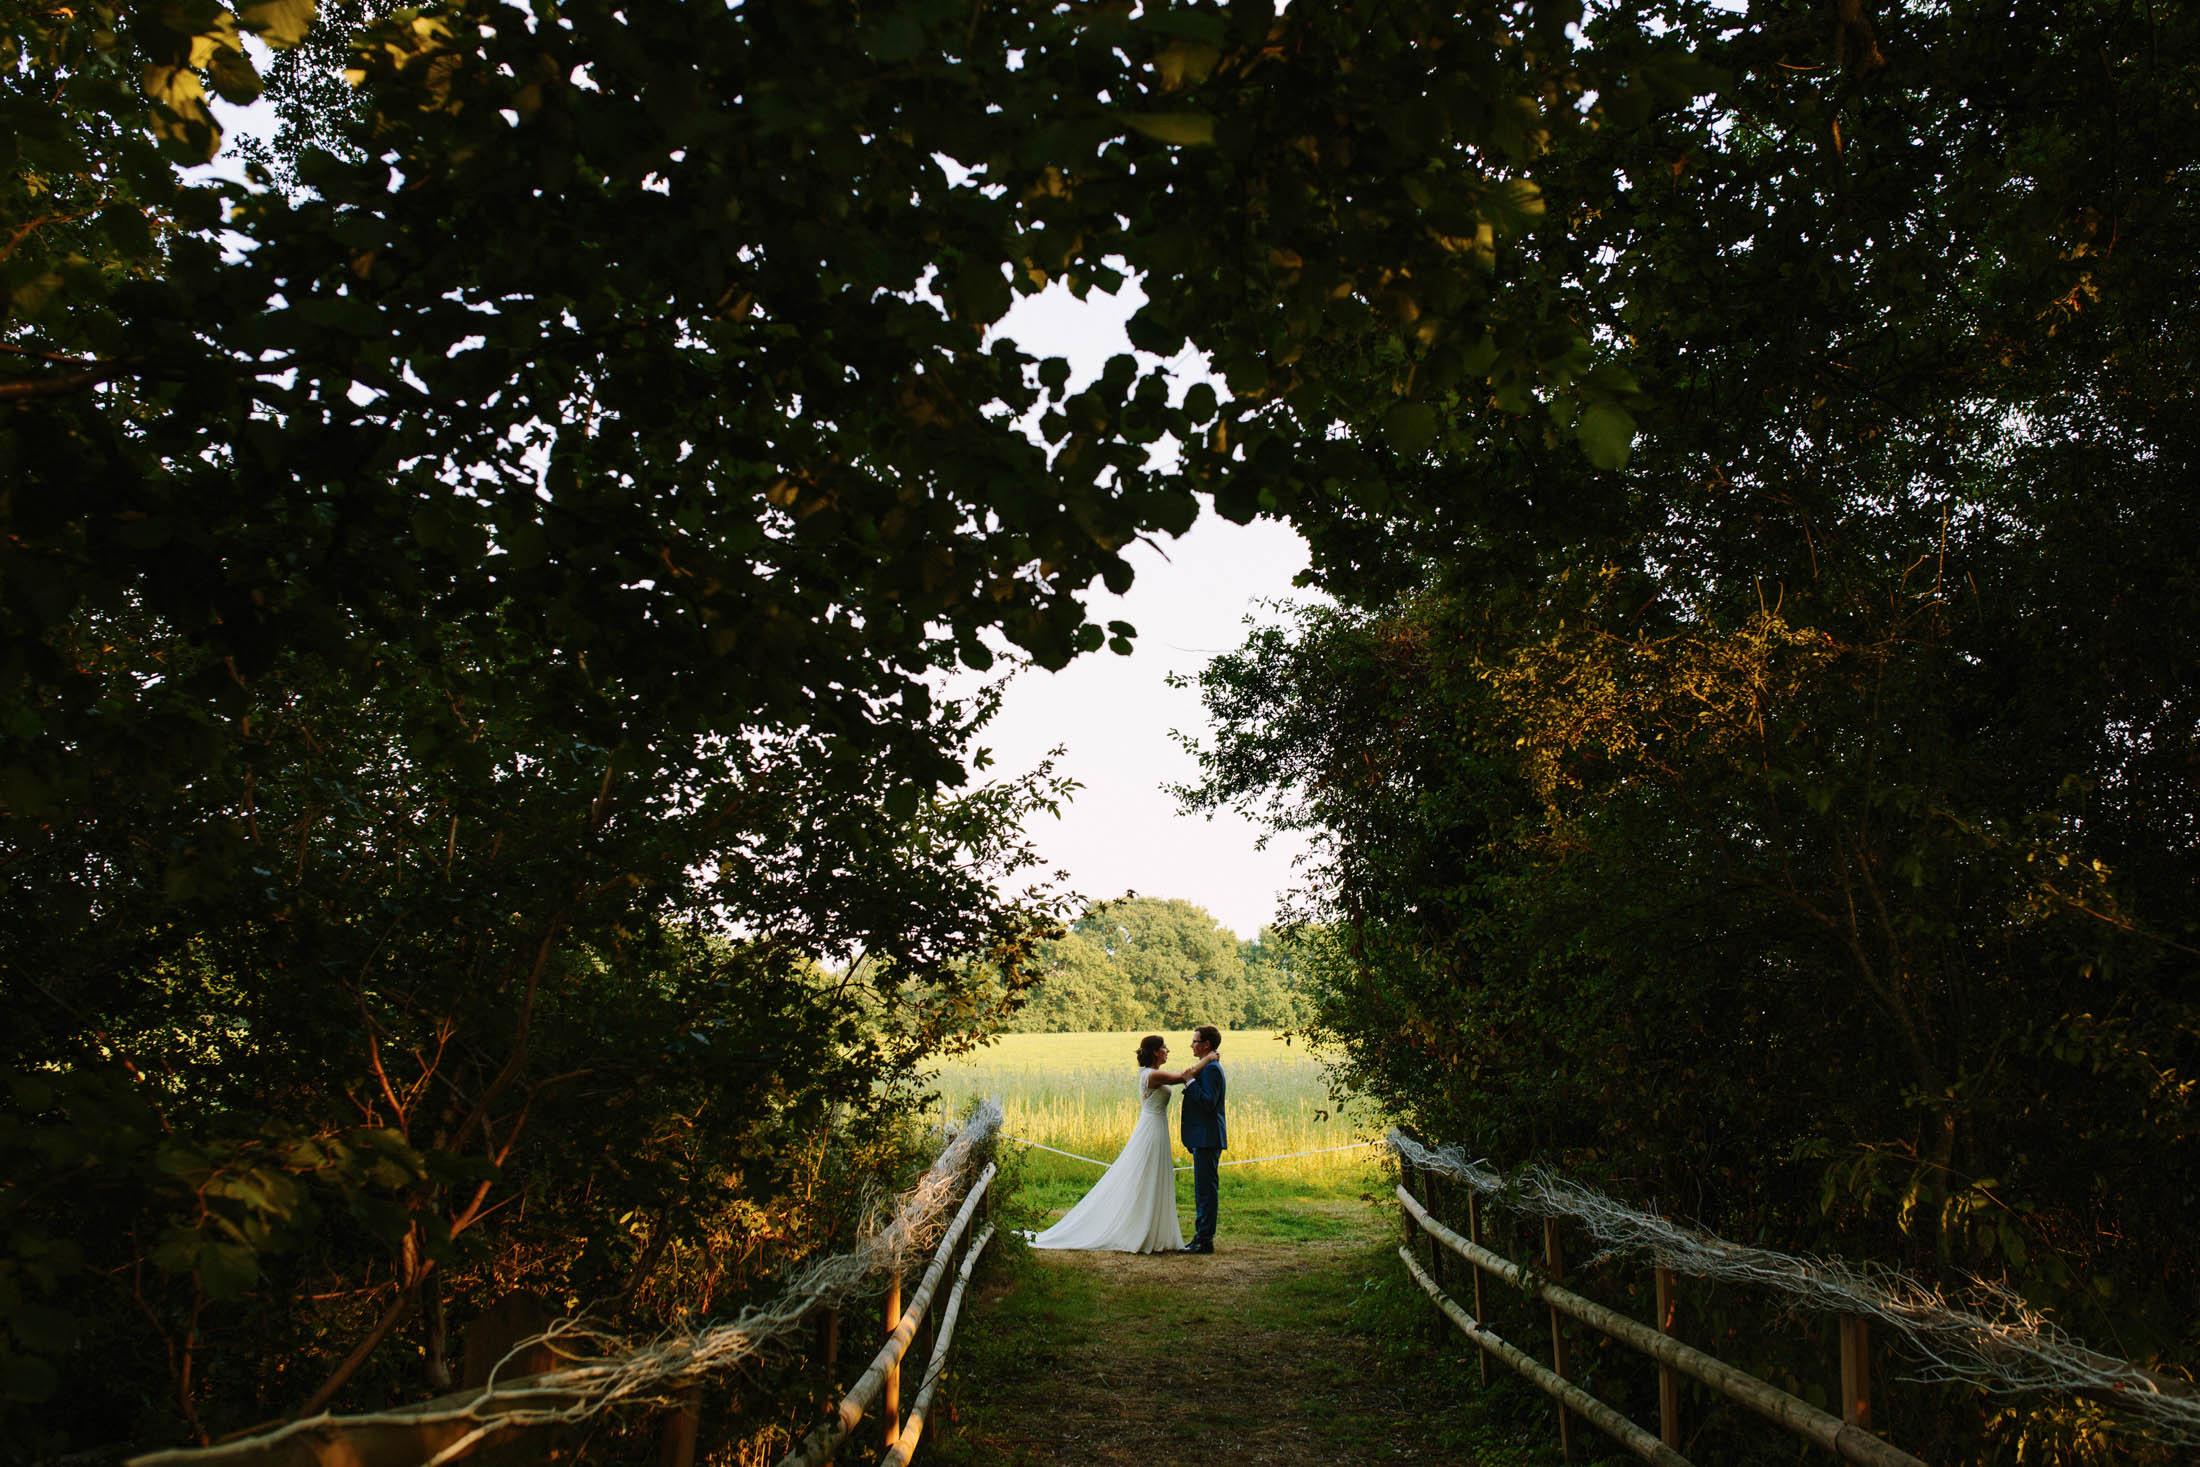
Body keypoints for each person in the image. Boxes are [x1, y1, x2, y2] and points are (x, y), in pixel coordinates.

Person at [1028, 1034, 1213, 1253]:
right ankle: (1140, 1229)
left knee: (1153, 1175)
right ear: (1155, 1052)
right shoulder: (1152, 1075)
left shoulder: (1152, 1074)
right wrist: (1209, 1059)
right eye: (1164, 1048)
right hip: (1151, 1129)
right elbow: (1184, 1076)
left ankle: (1152, 1228)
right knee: (1146, 1175)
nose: (1167, 1051)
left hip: (1157, 1127)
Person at [1179, 1024, 1227, 1254]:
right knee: (1202, 1190)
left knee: (1206, 1191)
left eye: (1195, 1041)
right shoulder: (1207, 1068)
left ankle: (1204, 1239)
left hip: (1208, 1138)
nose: (1192, 1045)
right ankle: (1201, 1236)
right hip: (1202, 1138)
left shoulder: (1212, 1070)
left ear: (1206, 1045)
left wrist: (1190, 1083)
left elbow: (1208, 1102)